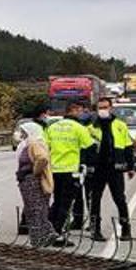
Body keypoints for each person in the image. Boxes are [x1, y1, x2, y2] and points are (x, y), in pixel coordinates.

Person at [87, 97, 135, 240]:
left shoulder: (120, 125)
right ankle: (95, 230)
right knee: (95, 199)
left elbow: (128, 147)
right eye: (100, 108)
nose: (103, 110)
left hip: (115, 168)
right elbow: (86, 149)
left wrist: (130, 166)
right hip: (97, 169)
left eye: (105, 107)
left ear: (111, 108)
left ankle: (126, 229)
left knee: (120, 199)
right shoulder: (91, 127)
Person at [45, 101, 96, 236]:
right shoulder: (79, 128)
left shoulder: (53, 127)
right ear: (73, 110)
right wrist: (90, 164)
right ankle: (57, 232)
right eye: (80, 111)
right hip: (71, 171)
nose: (82, 113)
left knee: (57, 201)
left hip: (55, 170)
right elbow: (90, 147)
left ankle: (48, 227)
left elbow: (46, 147)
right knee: (66, 204)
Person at [16, 105, 58, 247]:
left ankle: (42, 237)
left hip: (32, 181)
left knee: (35, 210)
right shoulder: (30, 143)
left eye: (23, 132)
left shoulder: (35, 143)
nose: (21, 134)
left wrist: (33, 172)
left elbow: (42, 159)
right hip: (28, 181)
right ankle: (43, 236)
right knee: (34, 209)